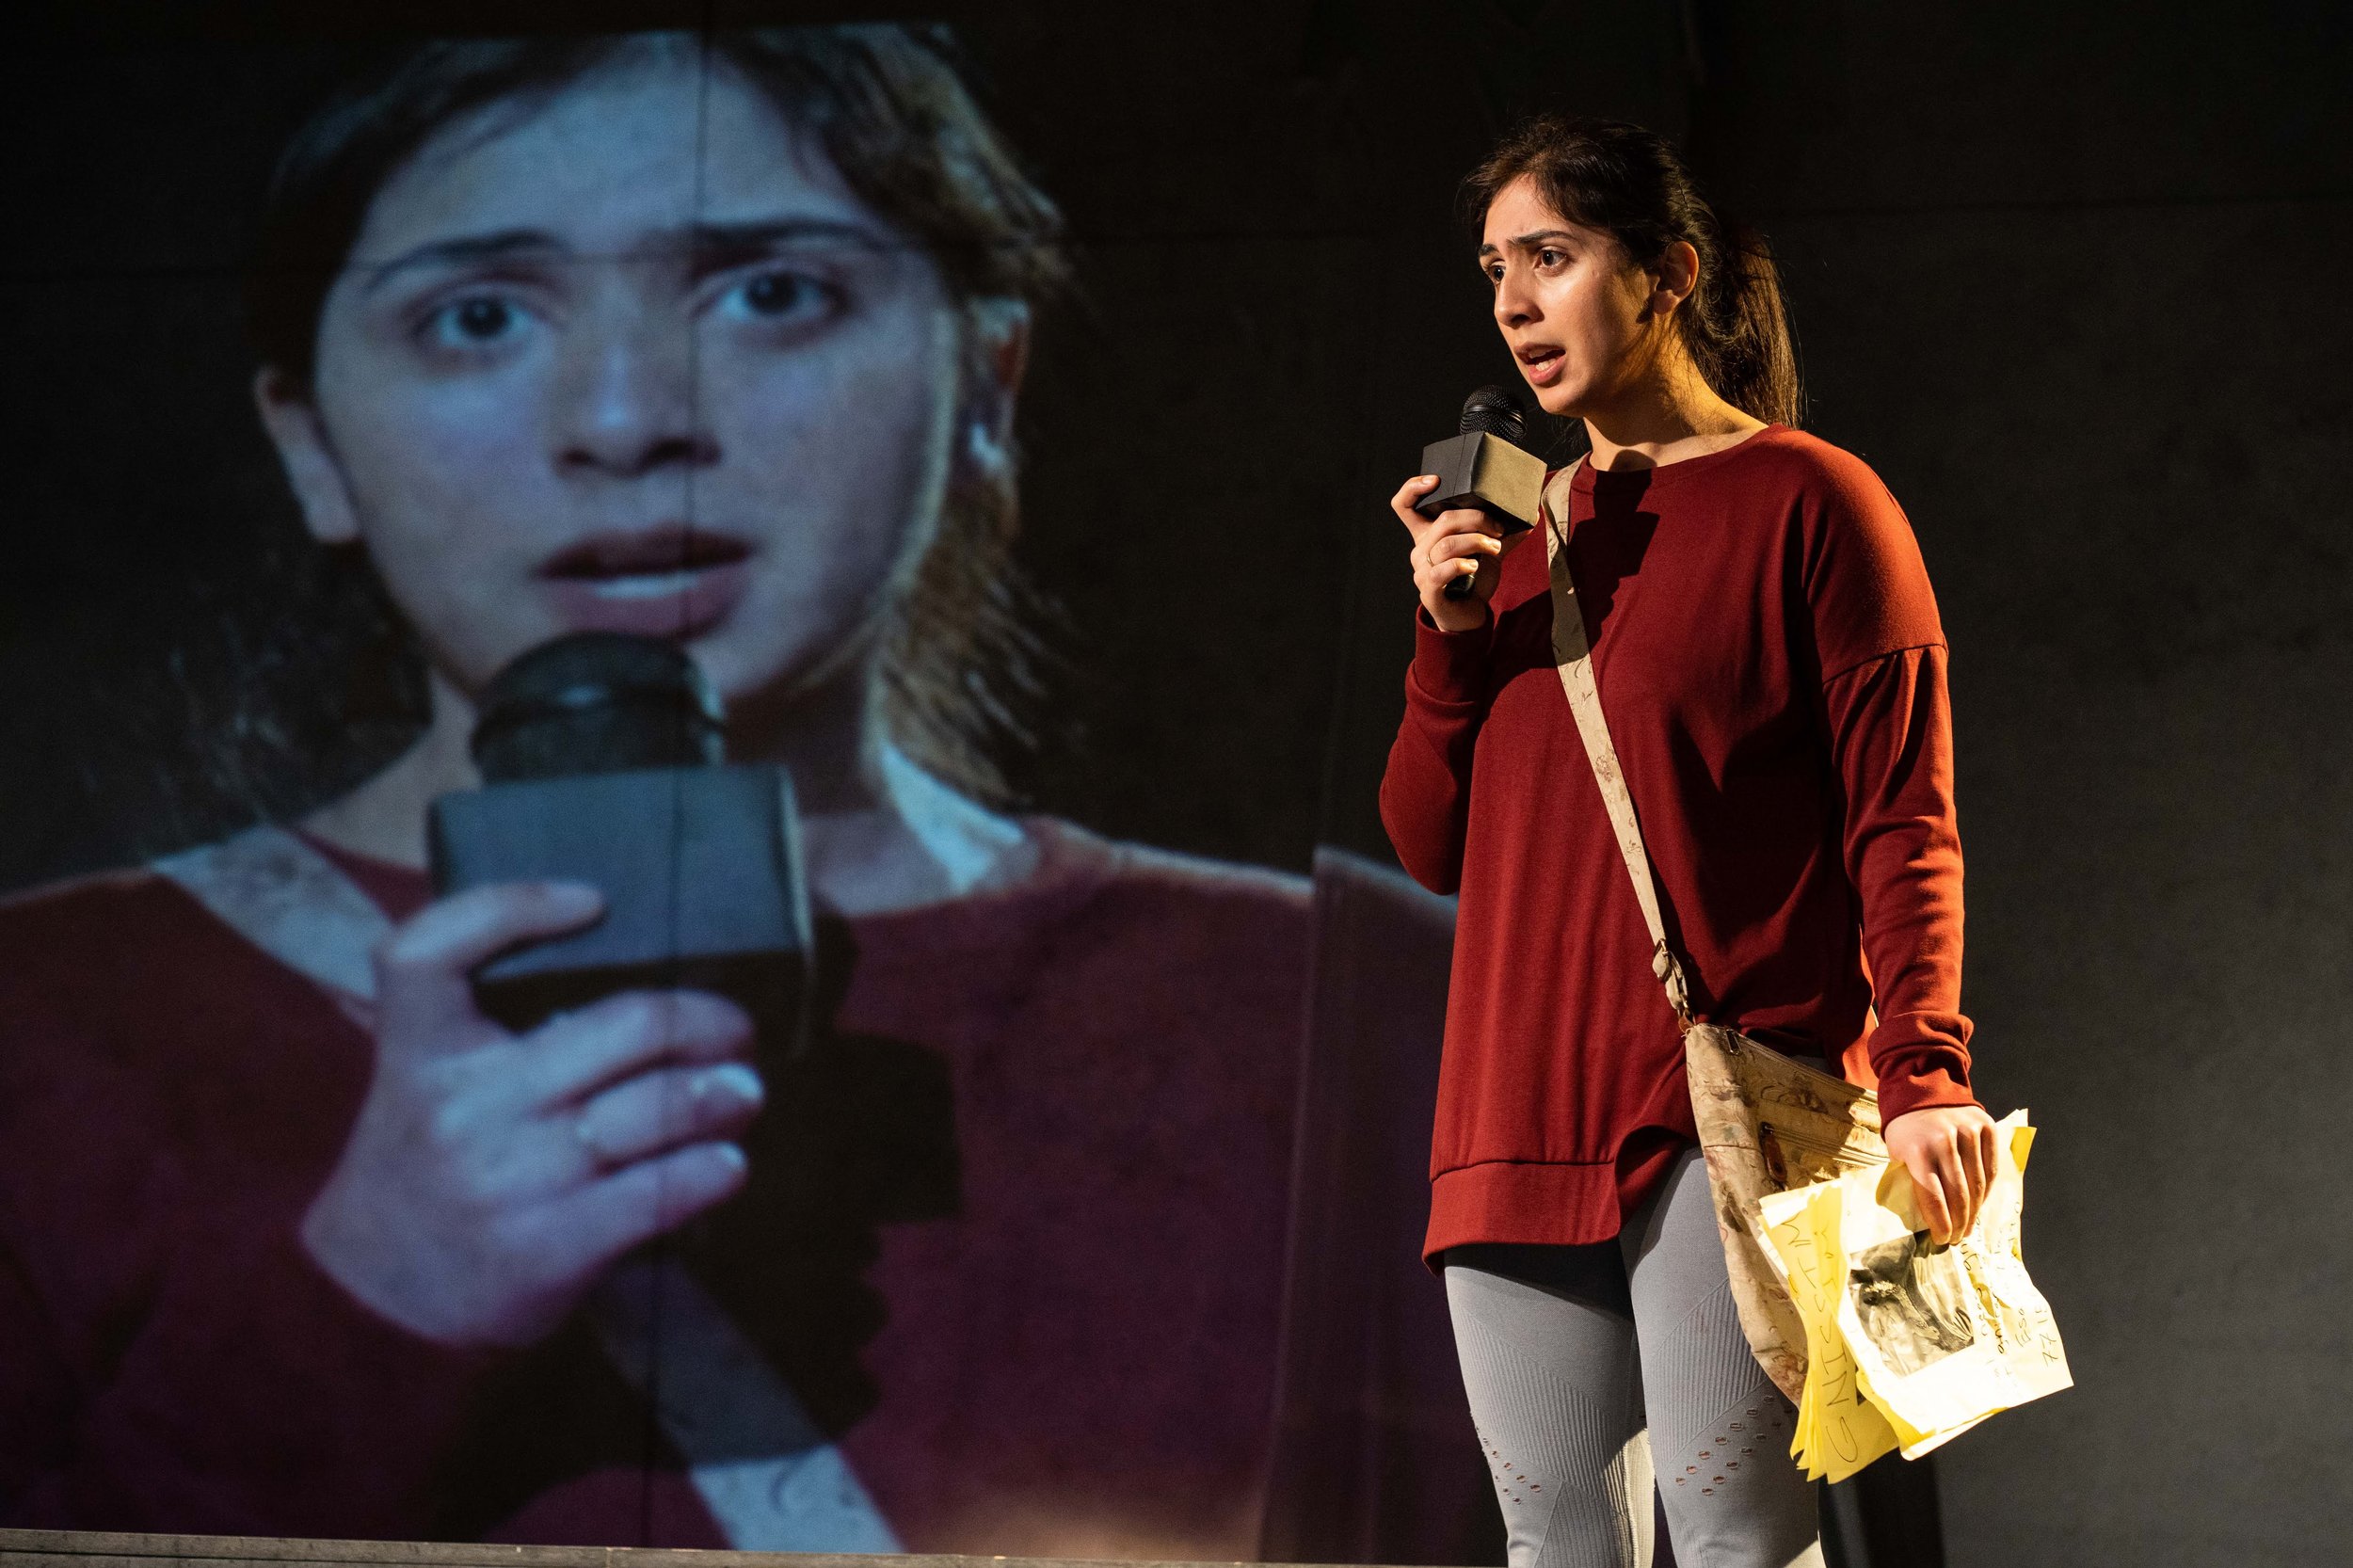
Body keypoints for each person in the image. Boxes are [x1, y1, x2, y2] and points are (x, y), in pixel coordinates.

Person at [0, 26, 1472, 1560]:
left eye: (773, 294)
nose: (627, 422)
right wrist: (366, 1310)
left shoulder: (1363, 1008)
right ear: (310, 439)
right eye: (478, 317)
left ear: (987, 379)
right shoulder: (47, 1027)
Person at [1379, 116, 2001, 1568]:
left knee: (1733, 1543)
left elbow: (1902, 819)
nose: (1514, 303)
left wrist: (1925, 1070)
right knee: (1554, 1547)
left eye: (1551, 257)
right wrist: (1448, 638)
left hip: (1719, 1109)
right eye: (1494, 270)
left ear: (1668, 274)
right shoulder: (1516, 542)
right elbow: (1427, 842)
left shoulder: (1813, 501)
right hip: (1510, 1113)